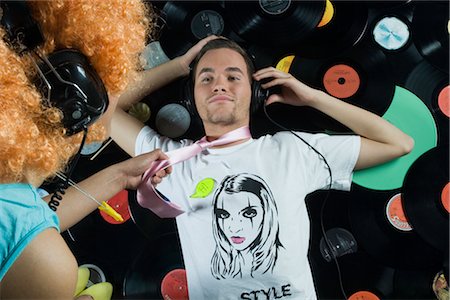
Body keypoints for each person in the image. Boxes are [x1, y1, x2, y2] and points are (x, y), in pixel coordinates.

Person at [111, 37, 414, 299]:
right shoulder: (173, 160)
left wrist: (314, 98)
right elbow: (106, 112)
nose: (219, 84)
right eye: (206, 78)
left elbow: (397, 143)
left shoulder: (292, 149)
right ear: (191, 96)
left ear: (254, 93)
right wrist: (179, 66)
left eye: (233, 77)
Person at [0, 1, 171, 299]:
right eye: (122, 73)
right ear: (80, 99)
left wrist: (119, 176)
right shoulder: (48, 270)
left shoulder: (13, 208)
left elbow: (21, 228)